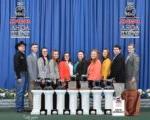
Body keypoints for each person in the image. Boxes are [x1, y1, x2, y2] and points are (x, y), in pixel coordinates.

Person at [14, 41, 27, 112]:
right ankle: (19, 107)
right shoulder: (17, 55)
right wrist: (18, 77)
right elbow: (16, 66)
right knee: (20, 91)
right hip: (20, 74)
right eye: (22, 46)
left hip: (24, 74)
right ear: (18, 47)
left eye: (24, 46)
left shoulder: (23, 54)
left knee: (22, 91)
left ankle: (21, 107)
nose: (23, 47)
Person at [27, 43, 39, 110]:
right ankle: (31, 106)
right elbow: (29, 68)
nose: (35, 48)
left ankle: (36, 106)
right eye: (34, 47)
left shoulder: (37, 56)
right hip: (32, 78)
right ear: (31, 48)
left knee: (36, 92)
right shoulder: (29, 57)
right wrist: (32, 78)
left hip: (37, 78)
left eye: (36, 47)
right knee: (31, 91)